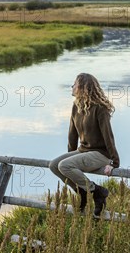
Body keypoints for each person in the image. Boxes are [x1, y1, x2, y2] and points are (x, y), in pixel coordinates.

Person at [49, 73, 120, 218]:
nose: (72, 87)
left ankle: (97, 192)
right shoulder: (77, 106)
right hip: (83, 150)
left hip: (101, 154)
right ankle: (82, 192)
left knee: (64, 165)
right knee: (55, 165)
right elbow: (72, 133)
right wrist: (70, 155)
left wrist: (114, 162)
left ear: (82, 88)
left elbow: (108, 136)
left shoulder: (100, 108)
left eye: (74, 84)